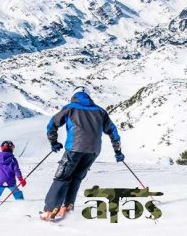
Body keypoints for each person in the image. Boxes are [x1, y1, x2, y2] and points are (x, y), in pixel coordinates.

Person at [41, 86, 125, 220]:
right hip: (93, 151)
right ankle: (67, 207)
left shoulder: (70, 108)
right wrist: (118, 151)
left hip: (74, 148)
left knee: (62, 177)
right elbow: (113, 132)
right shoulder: (100, 111)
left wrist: (54, 142)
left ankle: (50, 210)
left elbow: (52, 124)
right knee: (76, 178)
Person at [0, 140, 27, 212]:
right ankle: (21, 207)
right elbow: (17, 170)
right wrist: (21, 179)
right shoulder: (13, 159)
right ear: (11, 149)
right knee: (17, 192)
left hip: (0, 181)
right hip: (11, 181)